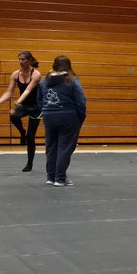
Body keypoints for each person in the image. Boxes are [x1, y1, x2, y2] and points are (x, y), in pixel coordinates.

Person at [0, 51, 43, 172]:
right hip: (24, 105)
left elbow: (28, 90)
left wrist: (18, 102)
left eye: (23, 59)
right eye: (19, 59)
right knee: (12, 114)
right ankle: (22, 132)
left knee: (31, 137)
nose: (21, 62)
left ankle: (29, 163)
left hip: (36, 108)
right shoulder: (15, 74)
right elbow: (8, 92)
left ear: (30, 60)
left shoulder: (36, 74)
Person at [38, 55, 87, 187]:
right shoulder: (72, 80)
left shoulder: (44, 80)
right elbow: (81, 102)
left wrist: (46, 111)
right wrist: (81, 117)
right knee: (65, 147)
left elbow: (39, 99)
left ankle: (50, 176)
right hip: (68, 116)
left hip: (49, 115)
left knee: (51, 146)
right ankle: (60, 178)